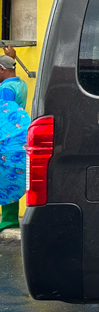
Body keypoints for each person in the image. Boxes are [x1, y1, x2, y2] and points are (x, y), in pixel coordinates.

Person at [0, 47, 28, 231]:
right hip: (19, 139)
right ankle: (9, 219)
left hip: (6, 138)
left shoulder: (6, 89)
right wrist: (10, 57)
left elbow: (4, 114)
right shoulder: (21, 84)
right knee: (12, 177)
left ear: (2, 70)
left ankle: (8, 220)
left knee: (4, 177)